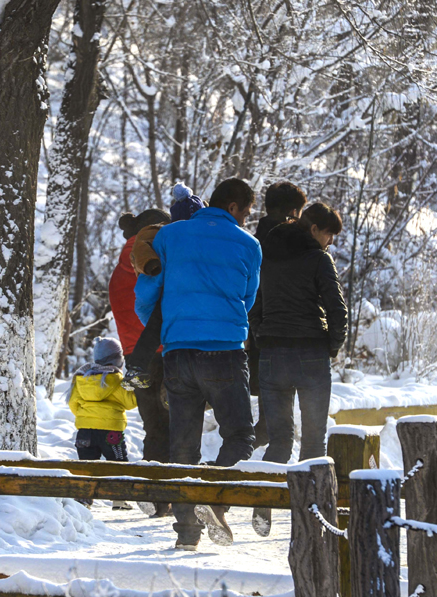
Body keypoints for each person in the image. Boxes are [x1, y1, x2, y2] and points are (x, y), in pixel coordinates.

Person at [135, 177, 262, 551]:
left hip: (178, 351)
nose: (245, 219)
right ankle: (215, 495)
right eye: (247, 212)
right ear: (236, 208)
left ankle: (187, 534)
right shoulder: (248, 245)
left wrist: (167, 326)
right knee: (240, 436)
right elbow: (248, 298)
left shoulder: (171, 236)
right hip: (224, 350)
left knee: (183, 446)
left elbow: (148, 289)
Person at [248, 202, 348, 536]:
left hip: (273, 354)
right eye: (328, 234)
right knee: (314, 443)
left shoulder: (268, 257)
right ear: (315, 229)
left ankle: (264, 504)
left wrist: (264, 338)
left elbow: (254, 307)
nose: (330, 242)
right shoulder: (319, 259)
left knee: (279, 440)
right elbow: (337, 308)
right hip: (310, 355)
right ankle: (310, 519)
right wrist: (331, 346)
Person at [108, 208, 173, 517]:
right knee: (176, 425)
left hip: (135, 355)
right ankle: (172, 496)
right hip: (164, 350)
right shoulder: (154, 258)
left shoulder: (121, 267)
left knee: (154, 427)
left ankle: (155, 495)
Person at [123, 183, 205, 389]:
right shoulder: (162, 234)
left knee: (159, 329)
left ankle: (149, 374)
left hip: (176, 295)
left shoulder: (194, 237)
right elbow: (142, 249)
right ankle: (139, 368)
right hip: (173, 294)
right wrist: (152, 265)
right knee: (159, 328)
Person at [249, 182, 309, 449]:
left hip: (256, 330)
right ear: (293, 212)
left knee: (268, 402)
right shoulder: (293, 242)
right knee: (280, 414)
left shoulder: (251, 240)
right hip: (285, 331)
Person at [68, 337, 138, 511]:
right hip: (111, 432)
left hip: (85, 431)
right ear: (117, 359)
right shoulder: (116, 379)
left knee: (86, 465)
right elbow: (130, 403)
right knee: (118, 463)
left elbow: (73, 403)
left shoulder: (82, 378)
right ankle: (119, 500)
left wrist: (87, 417)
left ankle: (84, 499)